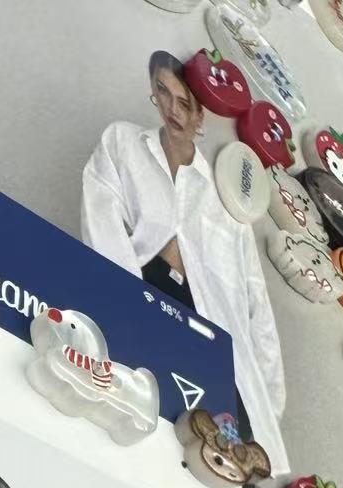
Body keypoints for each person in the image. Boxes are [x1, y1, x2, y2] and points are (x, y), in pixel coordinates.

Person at [81, 51, 285, 461]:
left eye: (185, 103)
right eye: (163, 92)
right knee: (119, 430)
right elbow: (101, 223)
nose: (172, 110)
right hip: (138, 295)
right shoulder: (123, 143)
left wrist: (267, 402)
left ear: (200, 116)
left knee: (210, 460)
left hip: (209, 334)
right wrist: (125, 313)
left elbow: (255, 300)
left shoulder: (224, 196)